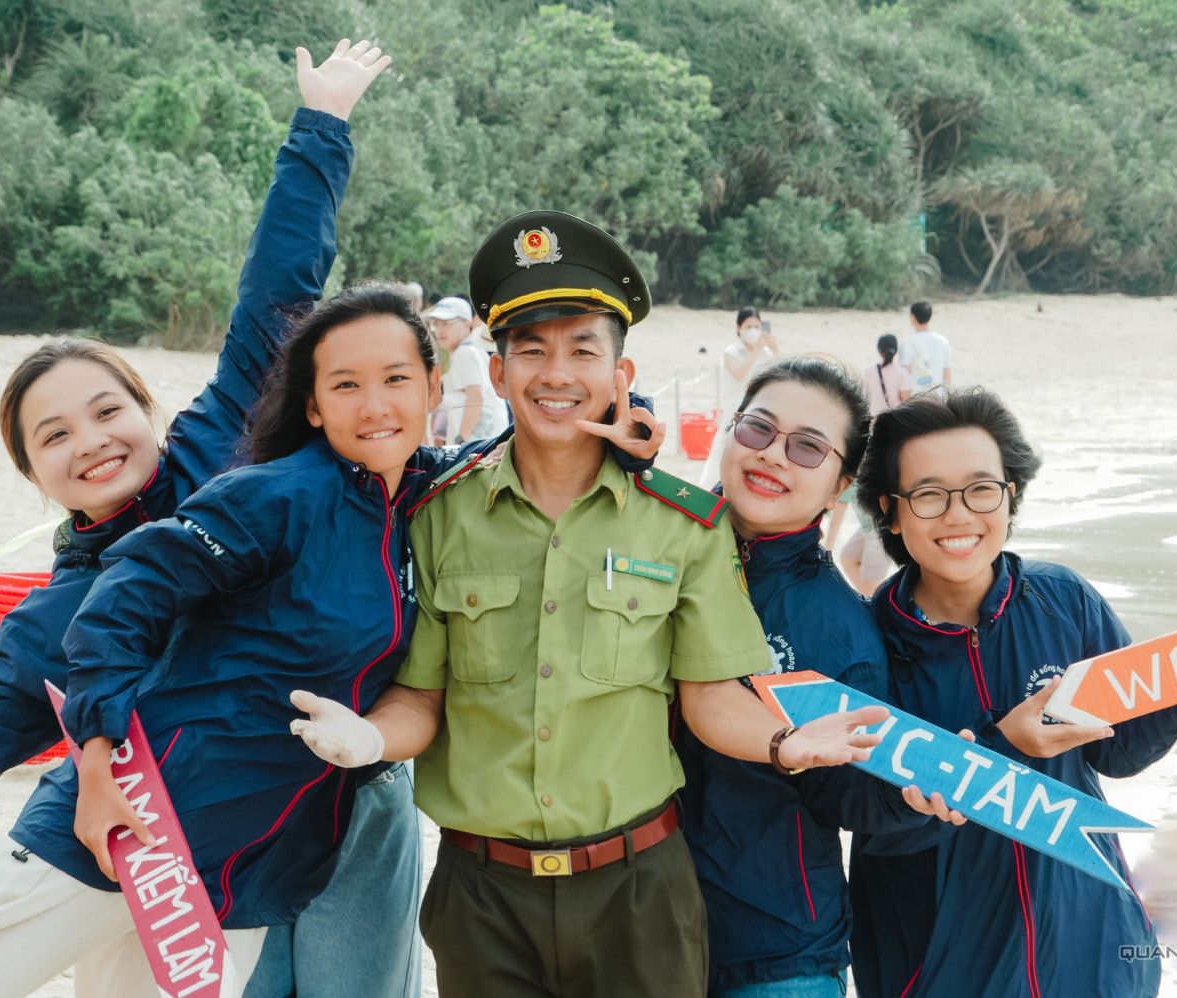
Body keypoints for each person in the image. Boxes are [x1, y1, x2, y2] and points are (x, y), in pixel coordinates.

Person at [0, 37, 382, 996]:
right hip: (87, 847)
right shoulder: (50, 618)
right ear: (37, 476)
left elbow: (277, 300)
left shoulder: (222, 453)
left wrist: (322, 125)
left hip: (223, 879)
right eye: (54, 436)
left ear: (148, 411)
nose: (93, 441)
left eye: (107, 410)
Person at [289, 211, 889, 998]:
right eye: (530, 351)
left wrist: (786, 743)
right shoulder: (438, 515)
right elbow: (423, 697)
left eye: (582, 350)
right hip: (481, 892)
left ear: (620, 374)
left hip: (639, 890)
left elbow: (710, 696)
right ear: (497, 373)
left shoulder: (683, 523)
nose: (556, 374)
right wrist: (369, 737)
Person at [846, 386, 1177, 998]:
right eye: (929, 495)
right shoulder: (869, 642)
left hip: (1089, 949)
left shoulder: (1062, 600)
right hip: (936, 964)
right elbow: (869, 814)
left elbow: (1119, 750)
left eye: (982, 489)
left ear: (1011, 496)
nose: (959, 515)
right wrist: (1001, 743)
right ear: (892, 511)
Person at [677, 355, 966, 998]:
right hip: (637, 925)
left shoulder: (838, 627)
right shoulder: (649, 551)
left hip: (778, 951)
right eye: (758, 429)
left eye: (809, 447)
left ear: (840, 484)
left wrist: (909, 797)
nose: (774, 456)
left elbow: (846, 796)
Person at [835, 334, 904, 594]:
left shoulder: (868, 373)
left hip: (878, 432)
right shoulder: (902, 373)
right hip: (893, 433)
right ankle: (870, 605)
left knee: (867, 574)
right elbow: (906, 401)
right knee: (849, 558)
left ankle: (876, 609)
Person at [700, 306, 780, 487]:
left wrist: (775, 351)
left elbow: (779, 377)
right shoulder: (731, 352)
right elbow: (739, 375)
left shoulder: (766, 353)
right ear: (738, 328)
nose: (753, 331)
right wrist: (755, 351)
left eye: (756, 326)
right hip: (735, 409)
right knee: (725, 449)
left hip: (761, 409)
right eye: (748, 327)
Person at [426, 295, 507, 444]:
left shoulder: (465, 353)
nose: (440, 330)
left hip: (476, 444)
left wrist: (460, 440)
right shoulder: (470, 350)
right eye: (435, 324)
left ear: (467, 323)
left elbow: (475, 398)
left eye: (447, 323)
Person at [896, 301, 951, 401]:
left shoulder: (907, 343)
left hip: (916, 398)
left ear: (912, 317)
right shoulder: (943, 342)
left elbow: (904, 375)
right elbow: (946, 375)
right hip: (938, 397)